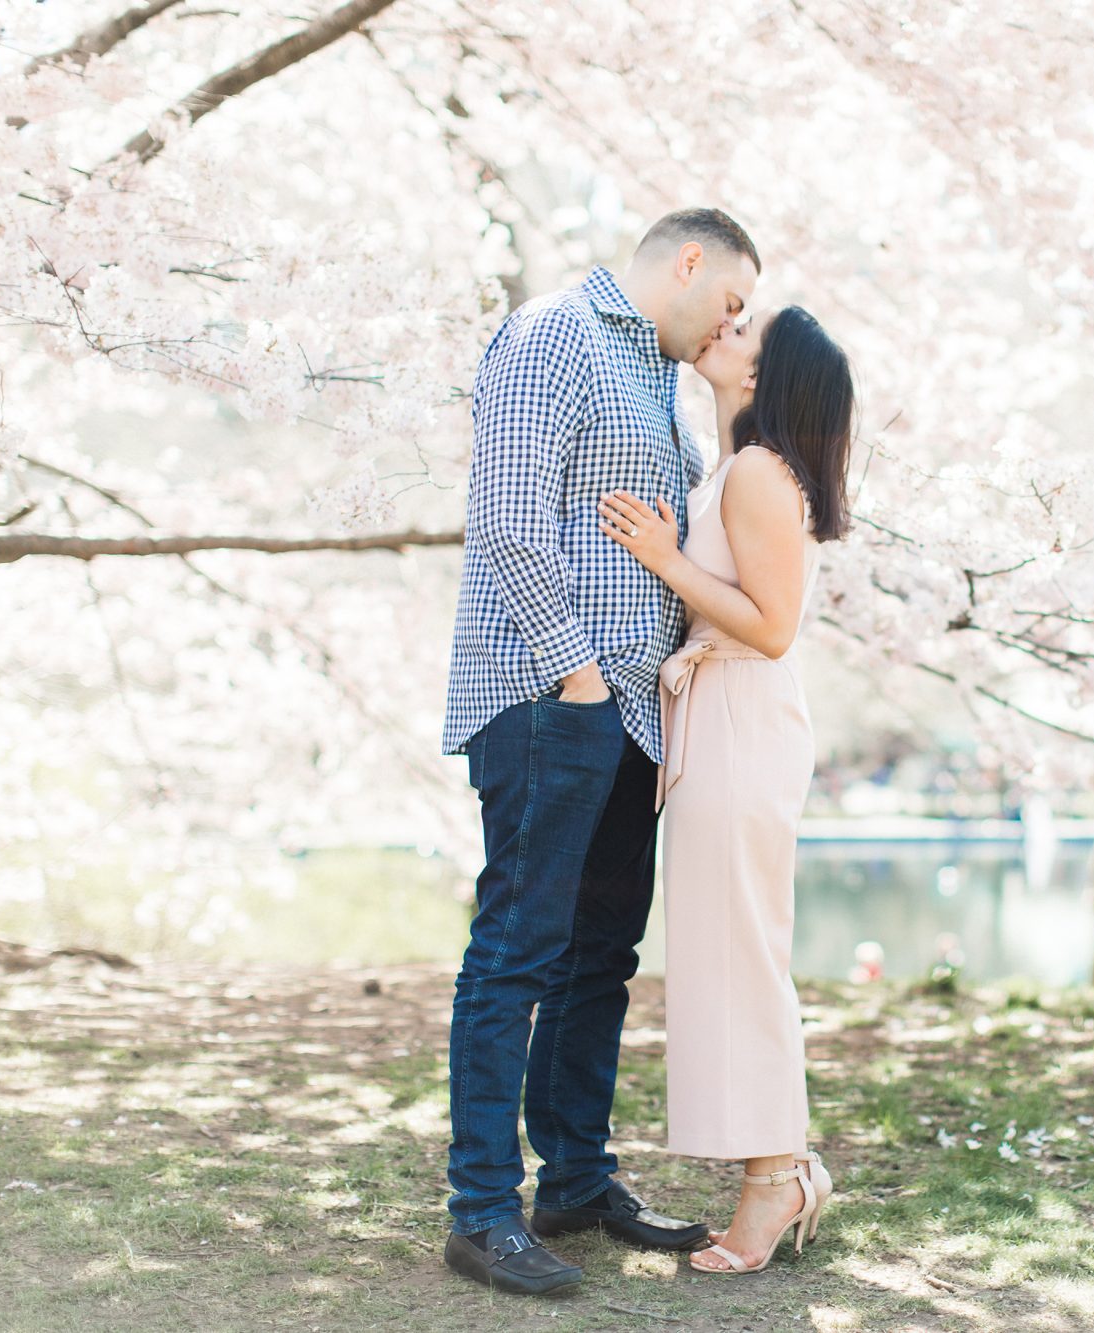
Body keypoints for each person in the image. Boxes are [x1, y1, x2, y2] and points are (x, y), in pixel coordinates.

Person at [439, 207, 760, 1297]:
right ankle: (481, 1210)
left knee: (598, 961)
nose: (732, 322)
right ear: (686, 261)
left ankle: (574, 1181)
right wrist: (573, 671)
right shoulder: (551, 335)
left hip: (628, 713)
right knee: (516, 955)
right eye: (729, 300)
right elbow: (508, 519)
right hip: (549, 697)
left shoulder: (655, 376)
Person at [596, 303, 856, 1274]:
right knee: (725, 954)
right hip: (722, 720)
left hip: (741, 718)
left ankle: (773, 1181)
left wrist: (662, 560)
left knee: (741, 957)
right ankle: (776, 1168)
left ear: (767, 375)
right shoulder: (735, 467)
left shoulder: (754, 472)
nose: (725, 330)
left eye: (748, 333)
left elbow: (771, 624)